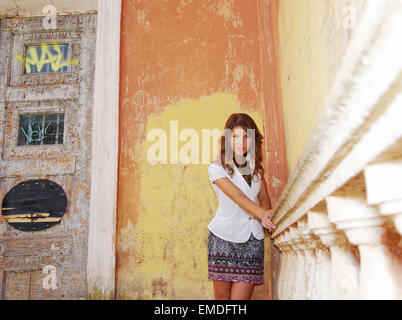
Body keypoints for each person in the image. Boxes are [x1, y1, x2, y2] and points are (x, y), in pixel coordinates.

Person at [207, 113, 275, 300]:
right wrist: (262, 214)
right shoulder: (216, 168)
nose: (241, 142)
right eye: (236, 136)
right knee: (222, 299)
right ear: (227, 139)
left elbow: (264, 196)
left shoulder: (256, 167)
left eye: (246, 136)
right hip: (223, 239)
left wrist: (266, 216)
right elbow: (238, 196)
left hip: (253, 239)